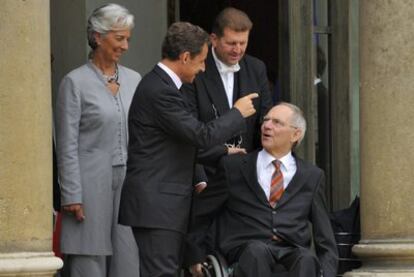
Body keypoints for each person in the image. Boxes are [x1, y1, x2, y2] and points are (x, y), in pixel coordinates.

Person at [118, 22, 259, 277]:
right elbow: (200, 135)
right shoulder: (160, 90)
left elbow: (177, 144)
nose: (204, 68)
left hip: (162, 205)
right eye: (202, 61)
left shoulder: (165, 86)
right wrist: (237, 113)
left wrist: (224, 153)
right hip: (158, 206)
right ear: (185, 57)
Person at [188, 102, 338, 277]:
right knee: (256, 251)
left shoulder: (312, 176)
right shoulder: (234, 167)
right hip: (245, 249)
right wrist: (194, 256)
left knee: (307, 259)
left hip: (291, 250)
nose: (267, 125)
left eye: (277, 122)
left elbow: (325, 238)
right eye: (266, 120)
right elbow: (201, 213)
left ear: (295, 134)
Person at [54, 4, 140, 276]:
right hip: (89, 187)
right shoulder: (74, 82)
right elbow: (65, 144)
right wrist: (71, 194)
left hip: (128, 185)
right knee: (88, 261)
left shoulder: (135, 80)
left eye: (128, 38)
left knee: (128, 260)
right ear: (98, 36)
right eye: (119, 38)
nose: (125, 45)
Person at [181, 7, 273, 262]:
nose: (238, 49)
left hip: (246, 178)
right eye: (231, 43)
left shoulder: (256, 68)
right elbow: (188, 128)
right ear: (214, 39)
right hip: (206, 174)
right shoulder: (196, 69)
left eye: (243, 43)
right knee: (204, 252)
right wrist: (198, 178)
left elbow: (265, 121)